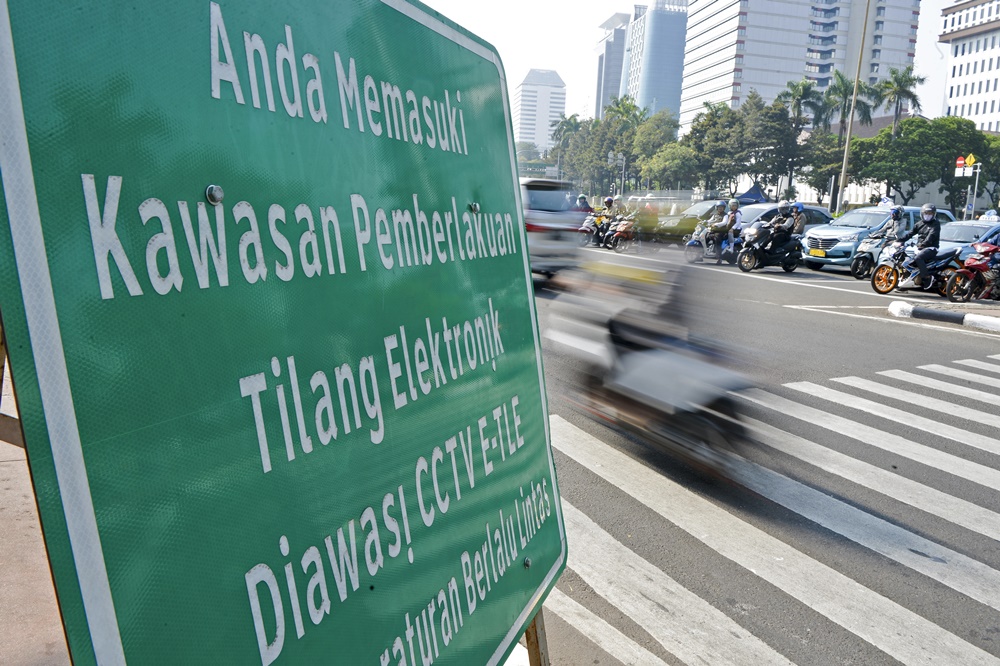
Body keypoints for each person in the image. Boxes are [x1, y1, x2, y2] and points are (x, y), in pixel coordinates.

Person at [896, 203, 941, 289]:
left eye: (930, 213)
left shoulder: (936, 224)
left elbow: (931, 236)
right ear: (922, 214)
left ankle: (927, 278)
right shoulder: (919, 224)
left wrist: (924, 244)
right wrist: (899, 240)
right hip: (920, 248)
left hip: (931, 248)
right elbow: (910, 234)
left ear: (934, 214)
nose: (928, 215)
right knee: (907, 262)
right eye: (926, 213)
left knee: (918, 258)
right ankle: (906, 283)